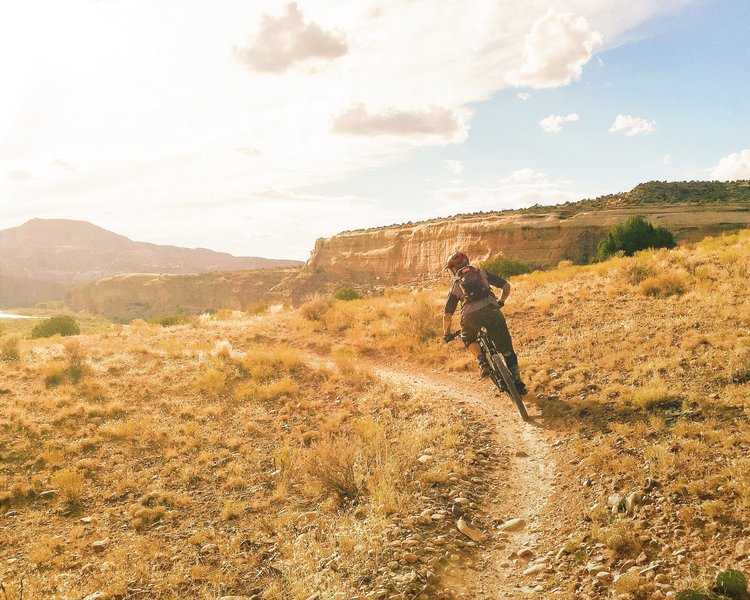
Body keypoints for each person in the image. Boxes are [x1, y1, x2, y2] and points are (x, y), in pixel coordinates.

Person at [442, 251, 527, 395]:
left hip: (470, 317)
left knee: (469, 338)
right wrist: (500, 302)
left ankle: (482, 361)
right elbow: (506, 286)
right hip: (492, 311)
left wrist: (447, 334)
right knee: (507, 350)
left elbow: (447, 315)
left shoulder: (456, 283)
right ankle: (518, 382)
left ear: (454, 269)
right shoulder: (481, 273)